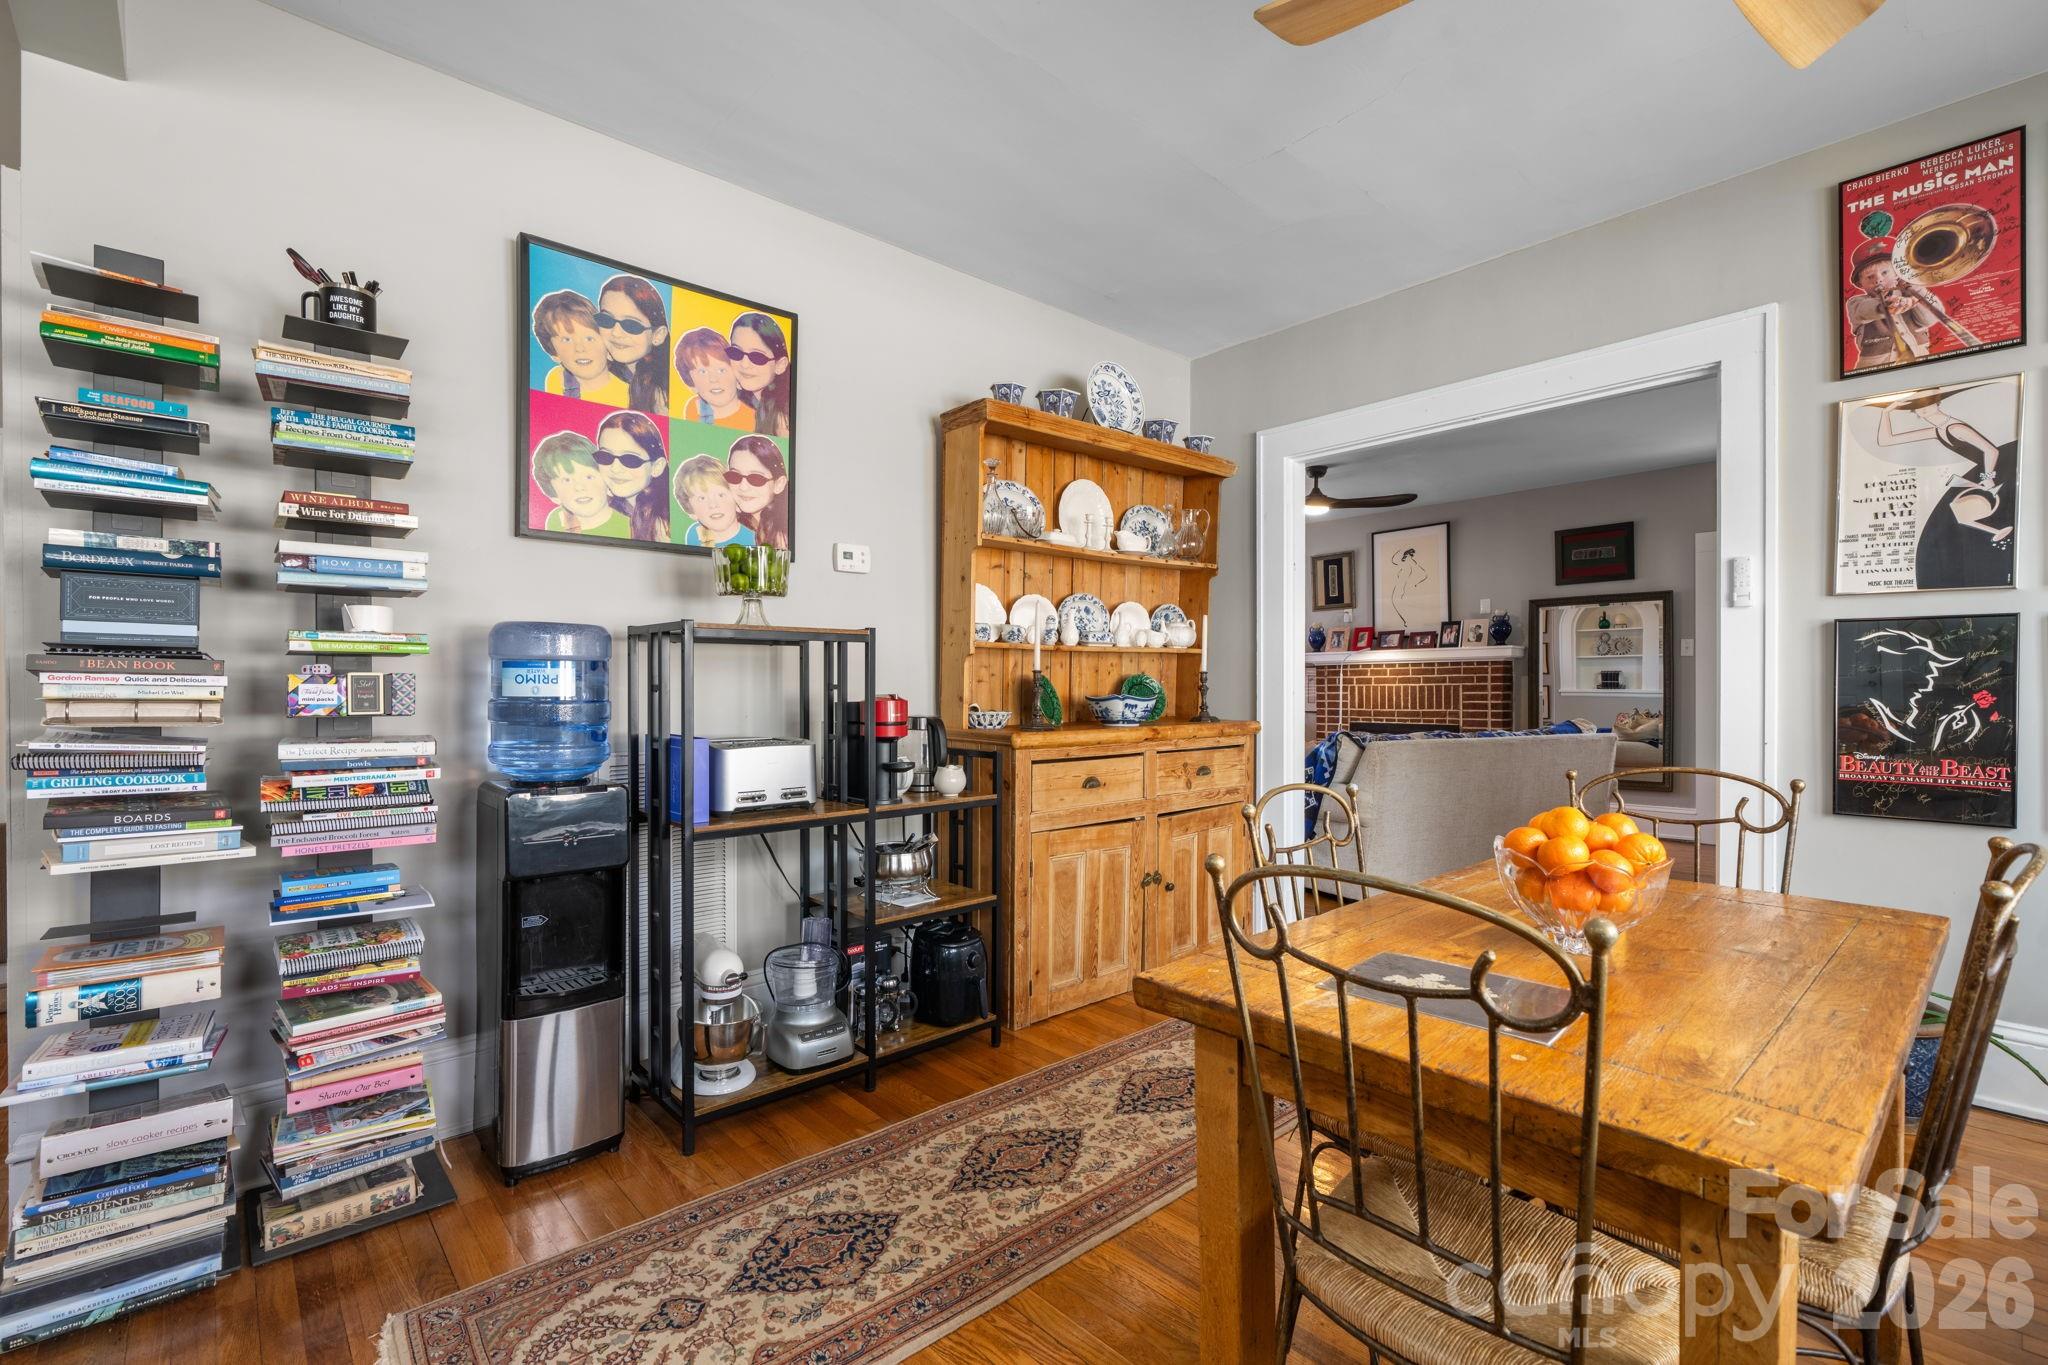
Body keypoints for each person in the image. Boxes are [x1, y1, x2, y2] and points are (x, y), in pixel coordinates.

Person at [1875, 389, 2014, 589]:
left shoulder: (1955, 427)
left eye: (1927, 404)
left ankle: (1998, 533)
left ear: (1937, 404)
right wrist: (1886, 412)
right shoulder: (1938, 430)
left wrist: (1988, 478)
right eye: (1918, 408)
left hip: (1997, 474)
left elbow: (1991, 450)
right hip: (1985, 477)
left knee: (1959, 512)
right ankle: (1996, 531)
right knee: (1957, 510)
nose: (1923, 410)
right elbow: (1886, 441)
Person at [1845, 240, 1980, 372]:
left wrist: (1914, 289)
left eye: (1885, 272)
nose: (1878, 279)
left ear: (1898, 272)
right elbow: (1863, 310)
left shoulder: (1910, 292)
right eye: (1869, 277)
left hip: (1921, 360)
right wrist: (1884, 306)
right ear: (1860, 284)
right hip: (1875, 367)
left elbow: (1929, 320)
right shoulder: (1856, 302)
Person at [533, 290, 629, 406]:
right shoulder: (557, 379)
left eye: (589, 338)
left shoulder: (628, 393)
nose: (580, 348)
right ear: (554, 354)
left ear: (605, 342)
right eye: (566, 340)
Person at [596, 274, 669, 414]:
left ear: (658, 335)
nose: (616, 333)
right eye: (606, 320)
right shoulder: (593, 371)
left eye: (631, 325)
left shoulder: (667, 389)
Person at [533, 431, 629, 537]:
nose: (579, 487)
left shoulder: (631, 528)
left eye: (589, 477)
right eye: (567, 480)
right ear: (554, 495)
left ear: (606, 480)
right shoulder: (557, 519)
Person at [594, 409, 670, 542]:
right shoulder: (597, 509)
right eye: (605, 456)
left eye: (630, 460)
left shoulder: (669, 519)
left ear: (657, 467)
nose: (615, 469)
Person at [674, 327, 754, 430]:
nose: (713, 379)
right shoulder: (694, 407)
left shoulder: (753, 418)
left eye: (721, 370)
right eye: (703, 372)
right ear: (692, 384)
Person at [728, 312, 792, 438]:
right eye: (736, 353)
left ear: (780, 365)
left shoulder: (786, 415)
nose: (744, 364)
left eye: (757, 357)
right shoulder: (732, 399)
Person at [674, 454, 756, 547]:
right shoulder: (695, 534)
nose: (713, 504)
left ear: (737, 502)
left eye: (721, 495)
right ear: (692, 512)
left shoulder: (754, 539)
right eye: (702, 498)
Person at [725, 434, 789, 550]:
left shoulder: (784, 536)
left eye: (756, 479)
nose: (743, 487)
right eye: (734, 476)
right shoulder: (725, 525)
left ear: (779, 484)